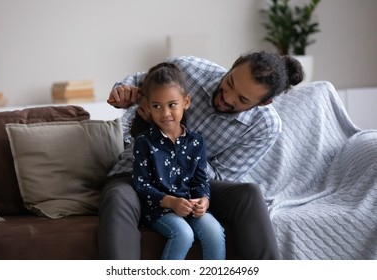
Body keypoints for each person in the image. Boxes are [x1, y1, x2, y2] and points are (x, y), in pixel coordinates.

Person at [98, 51, 304, 260]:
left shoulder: (265, 126)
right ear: (233, 65)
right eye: (230, 82)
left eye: (242, 99)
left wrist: (180, 146)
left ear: (263, 102)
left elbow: (222, 176)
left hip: (192, 185)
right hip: (138, 172)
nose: (227, 97)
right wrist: (123, 95)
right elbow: (137, 82)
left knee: (249, 193)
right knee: (118, 195)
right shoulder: (188, 69)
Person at [131, 62, 225, 260]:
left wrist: (204, 201)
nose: (165, 113)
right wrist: (171, 202)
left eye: (172, 105)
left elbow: (201, 182)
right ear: (147, 106)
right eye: (157, 106)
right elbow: (142, 185)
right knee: (183, 233)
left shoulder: (197, 142)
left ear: (186, 102)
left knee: (214, 231)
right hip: (159, 210)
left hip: (190, 206)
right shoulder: (143, 143)